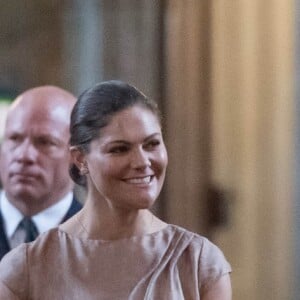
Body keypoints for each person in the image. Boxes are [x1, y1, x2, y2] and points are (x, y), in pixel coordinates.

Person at [0, 80, 231, 299]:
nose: (142, 162)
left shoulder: (199, 263)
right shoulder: (25, 268)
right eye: (119, 149)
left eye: (152, 144)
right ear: (80, 159)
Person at [0, 86, 82, 260]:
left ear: (78, 158)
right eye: (14, 139)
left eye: (45, 142)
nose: (23, 156)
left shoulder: (101, 240)